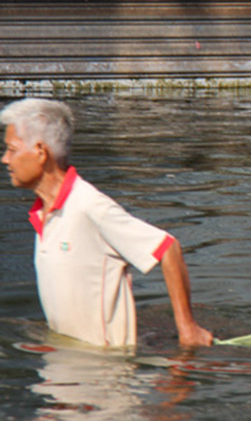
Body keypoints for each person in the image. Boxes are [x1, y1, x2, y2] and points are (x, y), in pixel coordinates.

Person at [1, 98, 213, 347]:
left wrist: (188, 329)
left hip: (106, 376)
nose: (5, 159)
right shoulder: (44, 213)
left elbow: (168, 248)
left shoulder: (88, 205)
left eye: (12, 149)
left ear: (40, 152)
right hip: (66, 369)